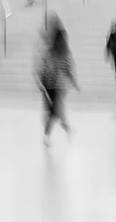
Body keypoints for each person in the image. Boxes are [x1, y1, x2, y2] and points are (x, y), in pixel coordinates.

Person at [34, 12, 80, 147]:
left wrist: (74, 83)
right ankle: (61, 132)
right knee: (55, 112)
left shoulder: (62, 53)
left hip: (55, 86)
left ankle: (63, 131)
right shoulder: (52, 52)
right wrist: (43, 84)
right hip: (50, 86)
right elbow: (47, 69)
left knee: (55, 111)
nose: (63, 41)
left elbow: (67, 70)